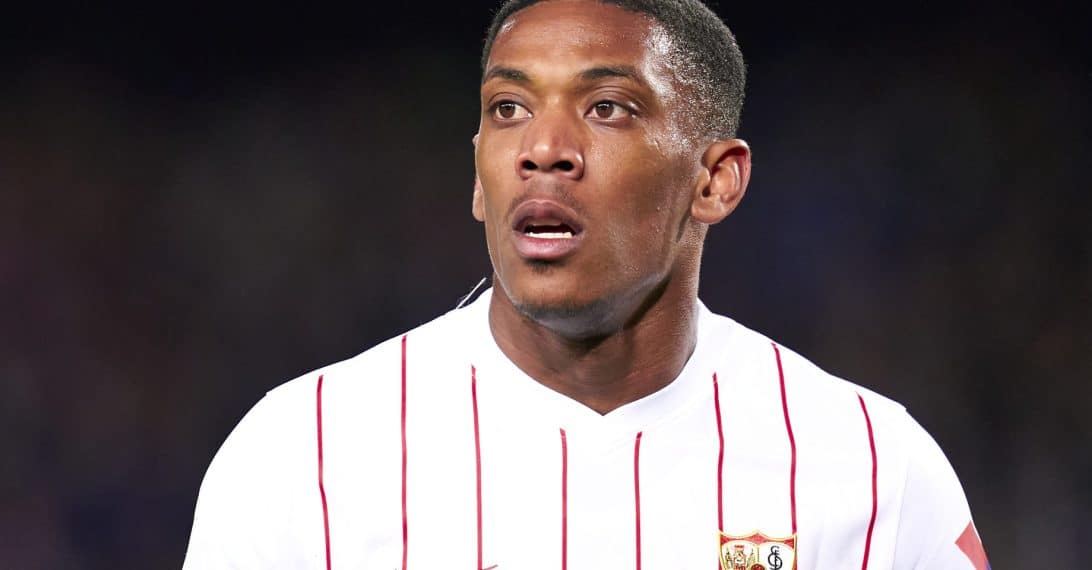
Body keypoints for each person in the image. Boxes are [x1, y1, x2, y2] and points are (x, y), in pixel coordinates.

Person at [184, 1, 991, 568]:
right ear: (478, 177)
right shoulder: (305, 456)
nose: (544, 148)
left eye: (606, 108)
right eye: (508, 108)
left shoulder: (873, 465)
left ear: (715, 180)